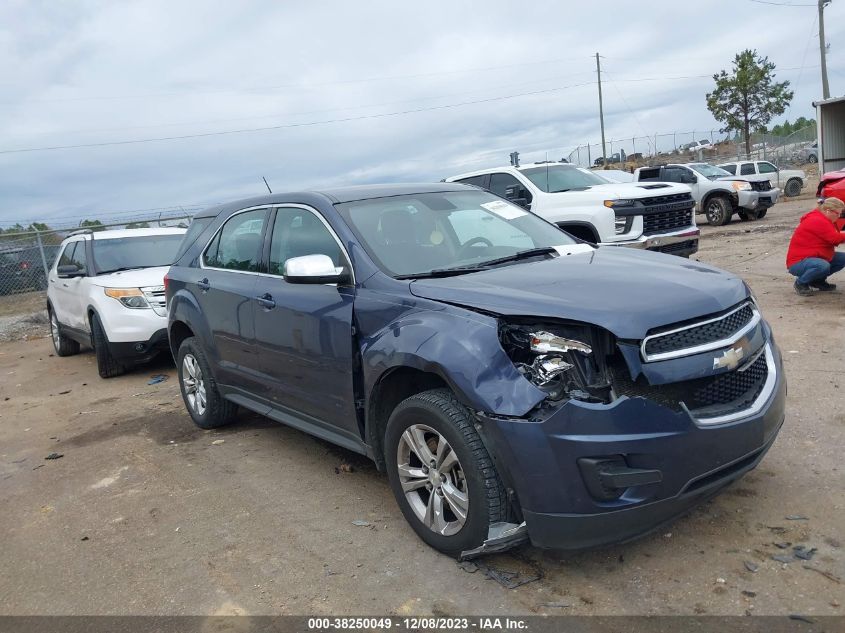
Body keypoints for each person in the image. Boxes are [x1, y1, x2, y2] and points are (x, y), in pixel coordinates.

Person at [786, 197, 845, 295]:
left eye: (840, 214)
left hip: (814, 256)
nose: (839, 216)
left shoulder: (821, 218)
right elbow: (834, 238)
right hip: (798, 263)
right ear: (828, 211)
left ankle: (817, 281)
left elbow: (834, 236)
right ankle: (801, 283)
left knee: (842, 259)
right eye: (837, 213)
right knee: (822, 266)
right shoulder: (817, 220)